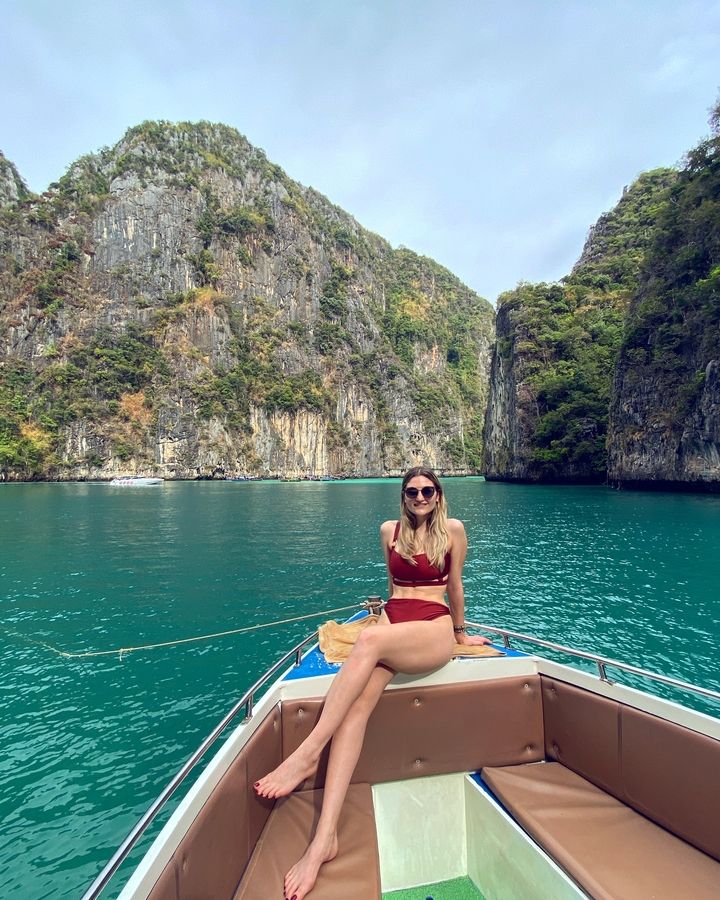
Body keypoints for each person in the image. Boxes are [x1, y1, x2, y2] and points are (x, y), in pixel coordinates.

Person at [254, 466, 490, 900]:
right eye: (412, 491)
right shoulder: (390, 531)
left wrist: (460, 635)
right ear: (403, 496)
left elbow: (454, 588)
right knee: (354, 712)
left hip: (433, 629)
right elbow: (392, 585)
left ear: (439, 495)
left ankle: (308, 754)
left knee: (369, 640)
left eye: (427, 490)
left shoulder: (453, 530)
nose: (420, 497)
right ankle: (325, 839)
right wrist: (382, 619)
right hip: (393, 626)